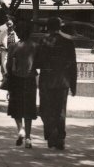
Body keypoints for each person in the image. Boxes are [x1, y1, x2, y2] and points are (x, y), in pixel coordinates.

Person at [35, 16, 77, 150]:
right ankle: (60, 138)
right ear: (60, 27)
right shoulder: (68, 42)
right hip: (63, 81)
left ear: (47, 27)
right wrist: (73, 85)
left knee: (45, 110)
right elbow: (73, 65)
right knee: (60, 111)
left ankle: (51, 133)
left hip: (47, 81)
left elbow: (37, 62)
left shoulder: (42, 41)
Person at [6, 20, 38, 148]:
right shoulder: (35, 46)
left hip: (16, 79)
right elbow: (39, 63)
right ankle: (29, 138)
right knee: (28, 109)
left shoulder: (13, 47)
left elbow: (8, 66)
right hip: (30, 80)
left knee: (16, 107)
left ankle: (20, 130)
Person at [0, 15, 18, 79]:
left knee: (14, 66)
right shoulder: (3, 33)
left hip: (14, 52)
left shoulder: (16, 33)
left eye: (10, 24)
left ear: (13, 24)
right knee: (5, 65)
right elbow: (0, 43)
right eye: (7, 24)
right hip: (5, 52)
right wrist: (1, 48)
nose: (9, 25)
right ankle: (7, 78)